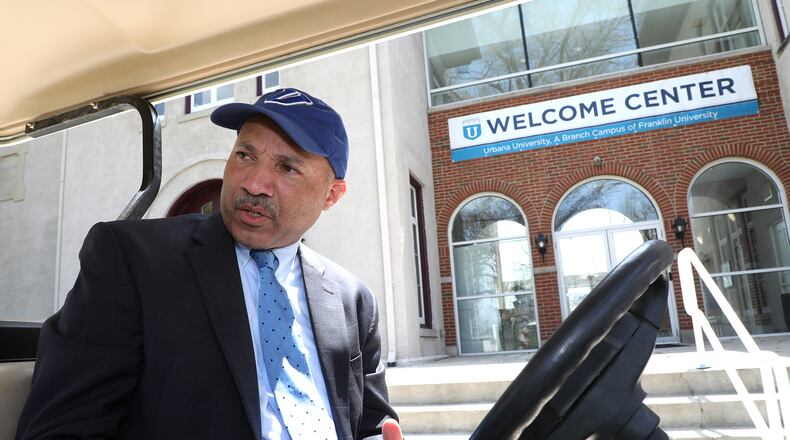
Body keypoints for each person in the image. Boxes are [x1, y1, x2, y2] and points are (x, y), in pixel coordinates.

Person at [16, 88, 402, 440]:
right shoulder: (132, 259)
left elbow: (371, 424)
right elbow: (60, 429)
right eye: (245, 155)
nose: (253, 184)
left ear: (332, 195)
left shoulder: (353, 301)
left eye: (287, 168)